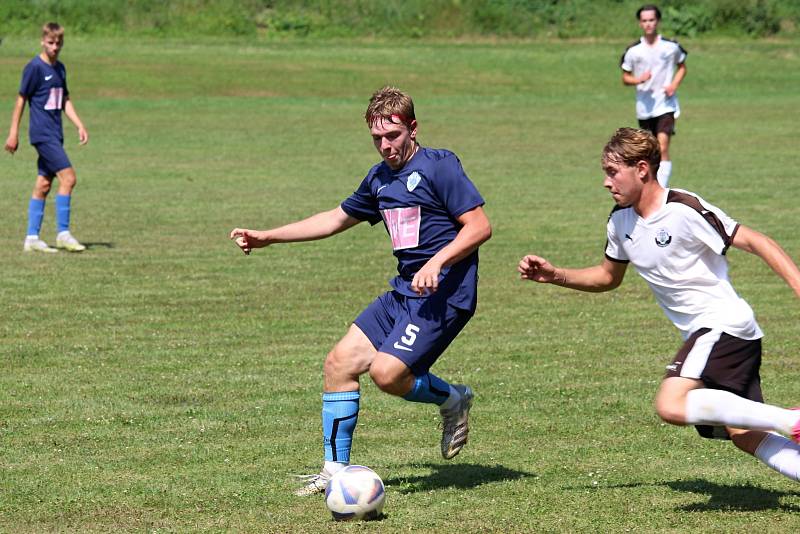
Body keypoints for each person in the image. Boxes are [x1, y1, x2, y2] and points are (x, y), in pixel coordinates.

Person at [231, 86, 492, 496]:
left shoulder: (440, 167)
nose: (385, 146)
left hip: (445, 294)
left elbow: (479, 227)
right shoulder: (379, 180)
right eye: (377, 138)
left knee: (387, 375)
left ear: (413, 128)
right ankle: (334, 471)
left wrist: (436, 262)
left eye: (393, 136)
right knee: (338, 363)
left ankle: (452, 399)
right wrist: (269, 236)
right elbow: (334, 219)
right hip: (405, 291)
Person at [518, 127, 800, 483]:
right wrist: (555, 274)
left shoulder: (683, 208)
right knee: (743, 434)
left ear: (641, 169)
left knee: (670, 404)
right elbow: (608, 277)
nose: (606, 182)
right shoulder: (620, 221)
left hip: (721, 324)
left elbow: (758, 241)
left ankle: (791, 421)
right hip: (714, 333)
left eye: (612, 171)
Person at [5, 22, 88, 253]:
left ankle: (31, 238)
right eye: (50, 43)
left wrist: (79, 124)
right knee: (69, 179)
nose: (54, 47)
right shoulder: (34, 68)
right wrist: (14, 133)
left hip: (56, 134)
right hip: (42, 135)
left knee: (43, 184)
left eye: (58, 43)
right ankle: (63, 233)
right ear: (42, 41)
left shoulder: (60, 69)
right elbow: (21, 99)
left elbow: (64, 100)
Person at [620, 4, 686, 187]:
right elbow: (625, 77)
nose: (648, 24)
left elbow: (682, 67)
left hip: (665, 104)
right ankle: (652, 186)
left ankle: (661, 191)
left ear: (657, 21)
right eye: (644, 21)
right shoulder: (634, 51)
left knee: (662, 146)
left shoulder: (671, 47)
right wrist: (638, 79)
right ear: (640, 23)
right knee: (649, 151)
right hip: (644, 106)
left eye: (651, 20)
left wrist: (673, 84)